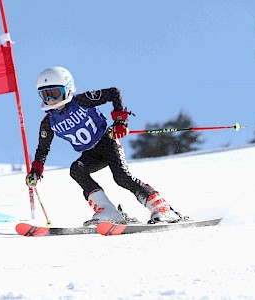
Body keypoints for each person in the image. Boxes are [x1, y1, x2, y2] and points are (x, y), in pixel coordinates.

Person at [25, 66, 183, 225]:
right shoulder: (48, 123)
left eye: (54, 93)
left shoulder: (81, 101)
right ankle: (107, 211)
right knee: (76, 170)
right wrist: (36, 171)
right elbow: (43, 149)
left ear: (67, 89)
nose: (50, 100)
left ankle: (162, 208)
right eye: (44, 95)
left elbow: (114, 92)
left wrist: (120, 121)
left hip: (107, 141)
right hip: (91, 153)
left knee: (121, 177)